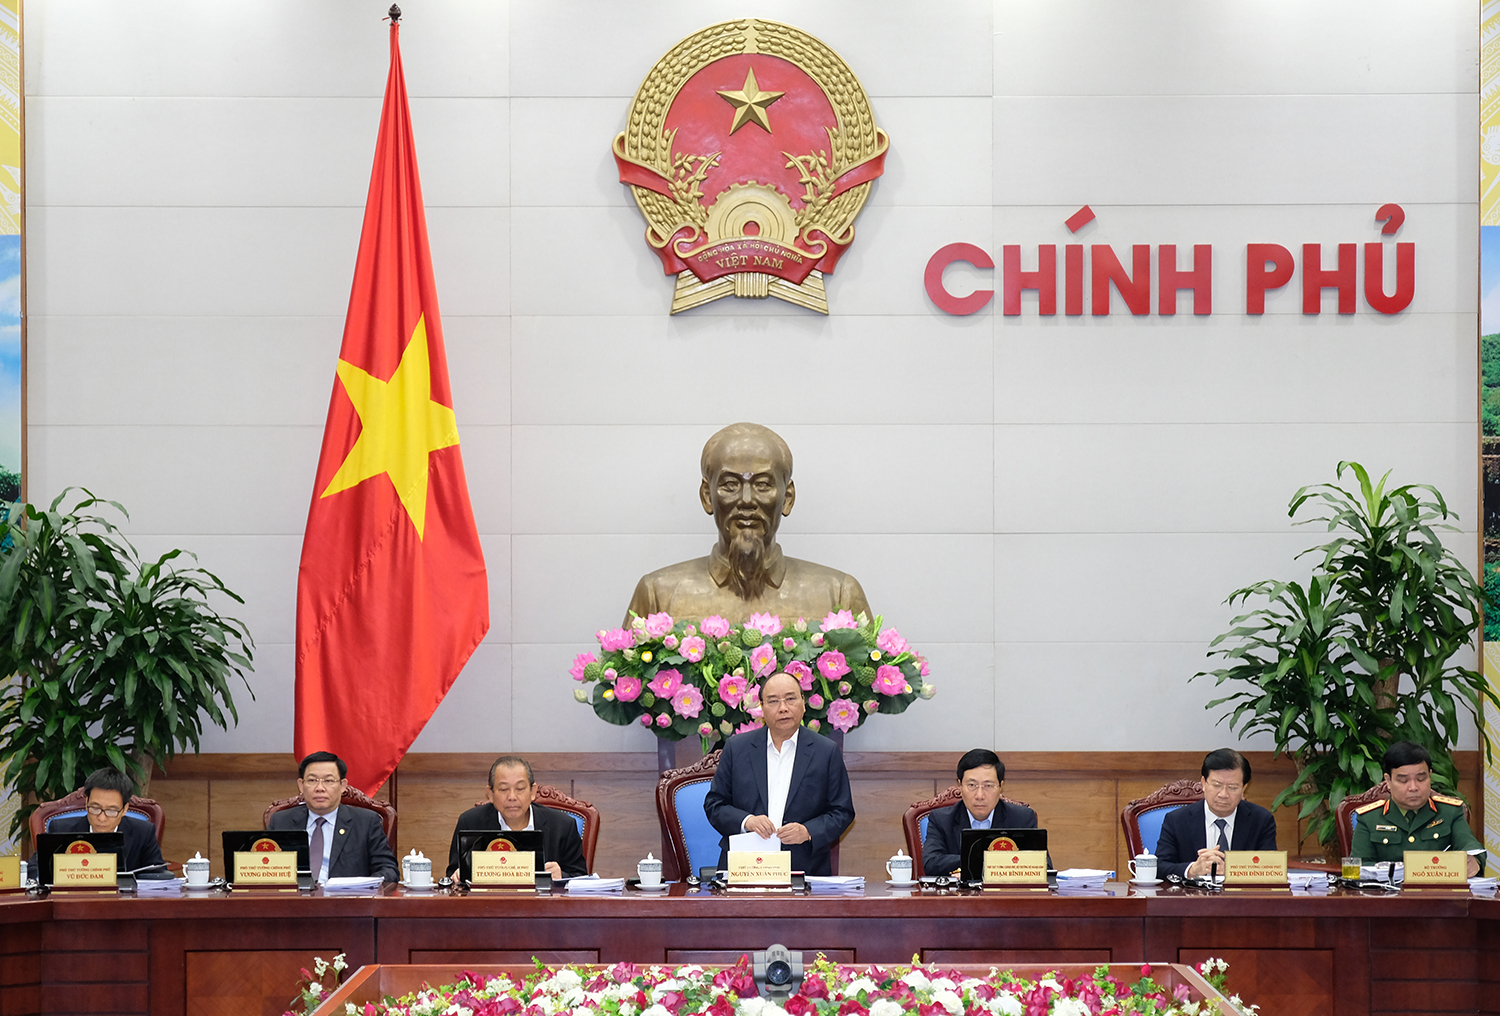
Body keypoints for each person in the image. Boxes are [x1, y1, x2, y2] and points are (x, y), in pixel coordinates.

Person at [626, 423, 871, 624]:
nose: (746, 500)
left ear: (787, 498)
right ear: (707, 496)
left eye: (762, 484)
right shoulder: (658, 595)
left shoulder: (838, 594)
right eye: (730, 484)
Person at [703, 671, 855, 876]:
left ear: (803, 703)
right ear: (762, 707)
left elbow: (842, 812)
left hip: (804, 868)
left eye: (790, 699)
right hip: (745, 867)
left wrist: (808, 831)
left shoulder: (826, 752)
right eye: (773, 701)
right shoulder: (736, 748)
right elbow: (714, 805)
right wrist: (747, 821)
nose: (783, 708)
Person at [1352, 741, 1484, 877]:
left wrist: (1474, 860)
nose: (1413, 787)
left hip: (1437, 889)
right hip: (1388, 889)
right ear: (1388, 781)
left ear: (1430, 776)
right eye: (1403, 781)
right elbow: (1360, 866)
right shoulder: (1369, 818)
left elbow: (1469, 844)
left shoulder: (1450, 812)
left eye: (1421, 779)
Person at [445, 755, 588, 880]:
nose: (512, 797)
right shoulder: (470, 822)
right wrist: (458, 876)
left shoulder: (562, 825)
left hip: (542, 902)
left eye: (520, 789)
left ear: (533, 791)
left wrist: (562, 875)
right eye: (503, 789)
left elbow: (580, 877)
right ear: (490, 794)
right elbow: (453, 874)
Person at [266, 750, 399, 883]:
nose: (320, 788)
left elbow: (388, 869)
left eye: (328, 780)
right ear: (301, 785)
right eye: (312, 780)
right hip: (296, 895)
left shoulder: (366, 822)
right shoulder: (281, 821)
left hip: (347, 895)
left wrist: (361, 886)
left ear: (342, 786)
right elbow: (265, 869)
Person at [1155, 748, 1277, 880]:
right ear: (1203, 783)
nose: (1223, 794)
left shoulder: (1261, 820)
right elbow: (1159, 866)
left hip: (1239, 893)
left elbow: (1270, 868)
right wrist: (1192, 870)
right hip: (1193, 893)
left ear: (1243, 789)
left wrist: (1232, 870)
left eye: (1232, 787)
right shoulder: (1177, 820)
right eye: (1217, 785)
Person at [921, 749, 1038, 877]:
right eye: (972, 785)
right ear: (960, 785)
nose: (980, 795)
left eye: (988, 786)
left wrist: (974, 864)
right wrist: (988, 861)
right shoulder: (941, 819)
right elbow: (931, 863)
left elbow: (1042, 866)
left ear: (1000, 786)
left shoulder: (1022, 818)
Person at [30, 767, 165, 874]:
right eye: (95, 808)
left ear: (124, 809)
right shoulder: (61, 829)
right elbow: (34, 869)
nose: (101, 818)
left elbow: (158, 874)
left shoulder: (143, 832)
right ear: (86, 802)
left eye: (111, 811)